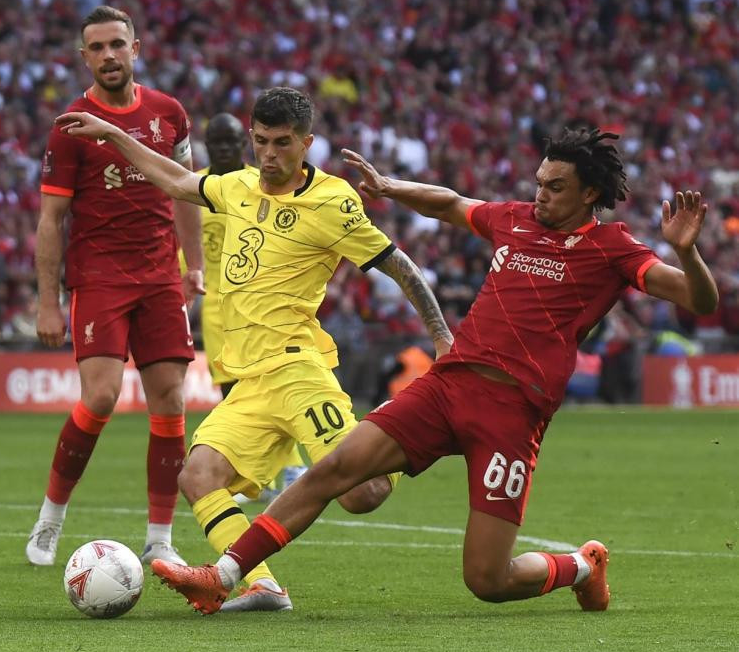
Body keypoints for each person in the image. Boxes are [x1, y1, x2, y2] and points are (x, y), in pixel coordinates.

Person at [149, 128, 719, 614]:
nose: (539, 195)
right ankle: (224, 577)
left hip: (512, 414)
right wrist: (392, 189)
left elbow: (700, 301)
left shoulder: (615, 248)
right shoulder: (515, 219)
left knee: (486, 581)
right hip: (448, 388)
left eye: (555, 187)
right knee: (333, 470)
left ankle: (579, 565)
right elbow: (450, 203)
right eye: (539, 182)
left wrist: (688, 254)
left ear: (590, 192)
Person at [55, 87, 454, 612]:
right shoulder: (237, 185)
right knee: (197, 476)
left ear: (307, 143)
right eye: (260, 141)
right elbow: (175, 178)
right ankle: (261, 585)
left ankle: (396, 428)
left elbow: (400, 266)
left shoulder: (332, 201)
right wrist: (112, 134)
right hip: (249, 382)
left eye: (283, 143)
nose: (269, 155)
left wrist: (442, 335)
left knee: (364, 494)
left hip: (296, 367)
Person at [25, 5, 205, 568]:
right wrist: (48, 301)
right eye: (96, 47)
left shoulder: (169, 113)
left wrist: (193, 264)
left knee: (171, 402)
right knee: (100, 396)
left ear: (136, 48)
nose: (108, 55)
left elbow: (186, 191)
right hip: (99, 277)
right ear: (84, 57)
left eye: (116, 45)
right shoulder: (70, 127)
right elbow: (52, 221)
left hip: (158, 278)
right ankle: (50, 519)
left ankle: (160, 539)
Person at [198, 114, 306, 508]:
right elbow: (184, 250)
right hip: (215, 308)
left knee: (270, 387)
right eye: (217, 143)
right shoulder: (199, 189)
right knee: (232, 395)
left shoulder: (259, 185)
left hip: (259, 307)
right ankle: (254, 474)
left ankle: (290, 467)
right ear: (207, 146)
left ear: (243, 144)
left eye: (231, 142)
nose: (225, 149)